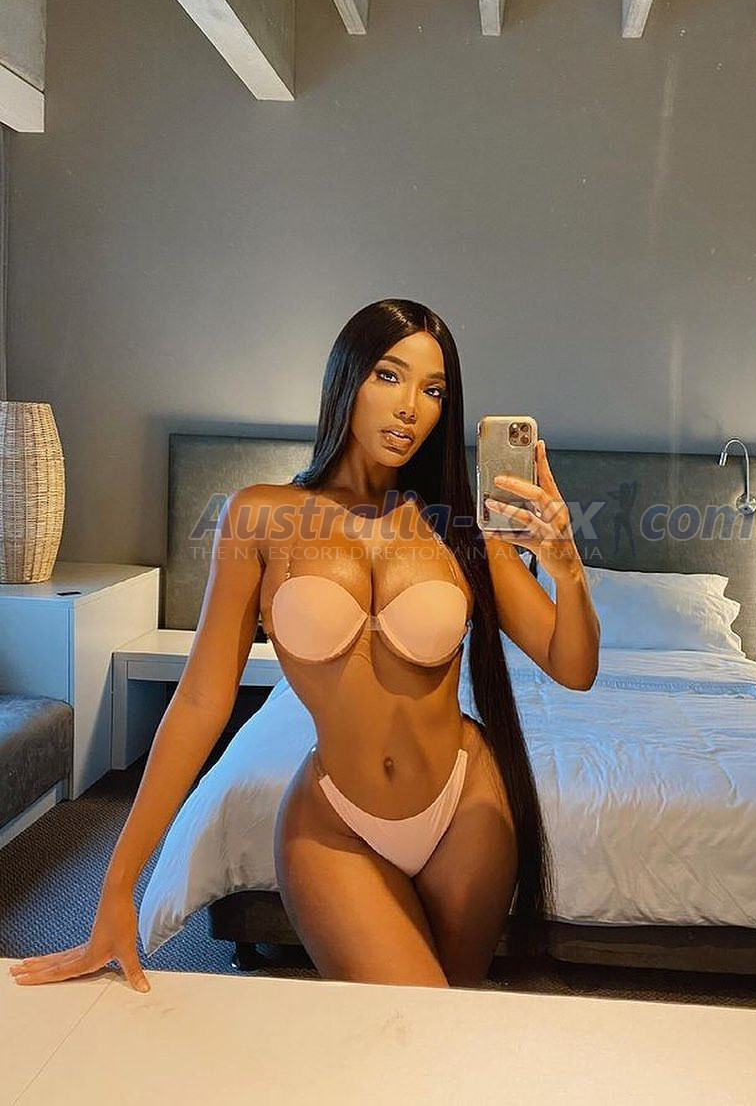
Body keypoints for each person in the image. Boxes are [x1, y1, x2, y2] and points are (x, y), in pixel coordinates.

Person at [8, 299, 600, 993]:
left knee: (452, 1021)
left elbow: (574, 668)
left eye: (433, 390)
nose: (409, 407)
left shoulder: (459, 527)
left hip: (466, 804)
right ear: (346, 378)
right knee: (412, 1008)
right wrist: (117, 887)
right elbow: (199, 701)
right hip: (335, 823)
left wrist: (566, 568)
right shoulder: (259, 515)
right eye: (388, 375)